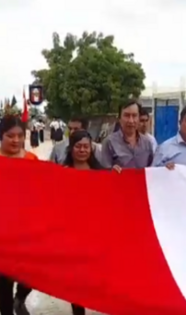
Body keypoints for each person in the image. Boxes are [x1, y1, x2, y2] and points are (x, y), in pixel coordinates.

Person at [62, 130, 121, 315]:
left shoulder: (100, 174)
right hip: (70, 236)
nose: (82, 150)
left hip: (94, 234)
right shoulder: (61, 174)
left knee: (96, 277)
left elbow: (112, 197)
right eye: (78, 146)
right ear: (71, 149)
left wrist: (117, 176)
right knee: (76, 280)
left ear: (91, 149)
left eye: (86, 146)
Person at [0, 116, 36, 315]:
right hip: (0, 230)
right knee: (4, 279)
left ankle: (20, 299)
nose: (15, 140)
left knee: (30, 275)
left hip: (28, 228)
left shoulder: (32, 159)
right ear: (1, 136)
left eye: (20, 136)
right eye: (10, 136)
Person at [101, 100, 154, 168]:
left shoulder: (147, 143)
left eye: (134, 116)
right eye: (127, 115)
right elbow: (104, 173)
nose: (131, 120)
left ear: (138, 118)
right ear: (119, 119)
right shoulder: (109, 143)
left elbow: (152, 169)